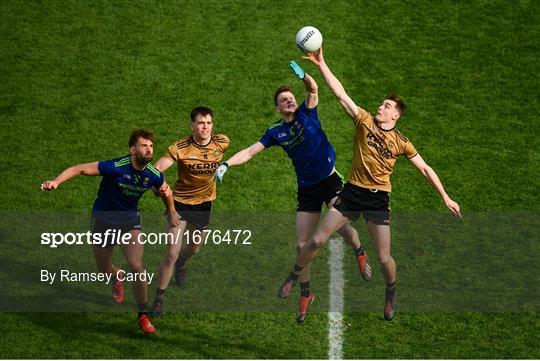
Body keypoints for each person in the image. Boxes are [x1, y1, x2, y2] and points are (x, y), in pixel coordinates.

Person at [280, 47, 462, 321]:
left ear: (396, 115)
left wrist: (445, 197)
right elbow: (340, 94)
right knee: (316, 239)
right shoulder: (364, 120)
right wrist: (322, 64)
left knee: (384, 258)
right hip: (352, 192)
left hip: (378, 200)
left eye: (387, 106)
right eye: (382, 104)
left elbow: (425, 168)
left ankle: (390, 291)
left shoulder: (402, 142)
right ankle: (295, 275)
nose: (381, 106)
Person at [214, 62, 371, 323]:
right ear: (278, 108)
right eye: (283, 100)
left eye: (290, 98)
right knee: (301, 244)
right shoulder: (276, 131)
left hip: (330, 180)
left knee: (343, 229)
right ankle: (306, 294)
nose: (289, 101)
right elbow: (251, 151)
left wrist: (305, 75)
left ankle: (358, 249)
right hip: (307, 189)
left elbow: (313, 88)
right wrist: (226, 163)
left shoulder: (308, 112)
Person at [40, 129, 180, 334]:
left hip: (129, 223)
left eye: (151, 146)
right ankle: (115, 276)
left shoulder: (152, 174)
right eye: (144, 145)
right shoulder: (116, 167)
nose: (149, 149)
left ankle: (143, 314)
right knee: (104, 269)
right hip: (103, 221)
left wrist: (172, 211)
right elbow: (80, 169)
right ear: (133, 149)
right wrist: (56, 182)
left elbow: (166, 190)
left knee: (137, 266)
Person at [150, 106, 229, 317]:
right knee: (171, 253)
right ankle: (159, 299)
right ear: (192, 125)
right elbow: (157, 169)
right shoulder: (180, 147)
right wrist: (156, 186)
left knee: (194, 248)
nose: (205, 127)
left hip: (204, 204)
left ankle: (182, 264)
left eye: (209, 123)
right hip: (180, 204)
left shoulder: (222, 142)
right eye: (201, 123)